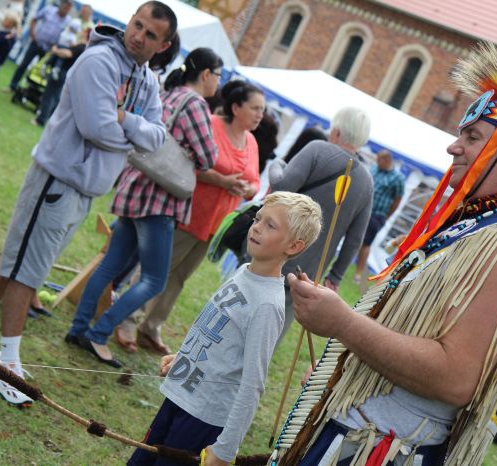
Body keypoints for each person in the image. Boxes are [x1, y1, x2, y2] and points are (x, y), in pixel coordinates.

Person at [271, 36, 497, 466]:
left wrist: (344, 326)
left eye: (471, 136)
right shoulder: (481, 226)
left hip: (382, 451)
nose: (454, 147)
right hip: (360, 437)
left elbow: (455, 378)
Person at [0, 1, 177, 407]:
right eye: (136, 24)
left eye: (150, 33)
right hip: (58, 178)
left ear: (164, 44)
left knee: (16, 259)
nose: (138, 35)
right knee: (26, 271)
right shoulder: (100, 61)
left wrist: (125, 120)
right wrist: (128, 133)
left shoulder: (146, 78)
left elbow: (158, 138)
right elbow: (94, 126)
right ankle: (8, 364)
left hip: (84, 188)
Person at [128, 191, 323, 466]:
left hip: (203, 417)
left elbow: (253, 384)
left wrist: (225, 449)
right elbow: (216, 329)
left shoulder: (267, 305)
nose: (256, 227)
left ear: (293, 246)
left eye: (271, 225)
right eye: (258, 219)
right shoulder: (244, 271)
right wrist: (186, 357)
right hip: (182, 396)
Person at [67, 47, 222, 367]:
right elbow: (208, 157)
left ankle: (79, 328)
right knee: (154, 279)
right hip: (159, 198)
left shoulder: (167, 93)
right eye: (218, 75)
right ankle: (99, 335)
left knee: (110, 267)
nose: (219, 82)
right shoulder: (194, 103)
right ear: (206, 74)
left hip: (135, 186)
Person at [115, 79, 264, 355]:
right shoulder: (211, 124)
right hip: (189, 211)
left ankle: (151, 326)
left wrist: (248, 188)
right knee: (158, 269)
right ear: (236, 107)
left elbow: (254, 180)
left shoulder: (252, 141)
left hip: (216, 223)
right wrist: (221, 180)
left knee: (180, 276)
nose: (260, 115)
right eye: (255, 108)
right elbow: (184, 162)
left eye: (262, 110)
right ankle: (125, 319)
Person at [268, 106, 374, 339]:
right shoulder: (366, 182)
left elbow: (281, 187)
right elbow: (355, 239)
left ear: (336, 131)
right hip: (305, 272)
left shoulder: (316, 149)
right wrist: (334, 276)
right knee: (270, 336)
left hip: (270, 252)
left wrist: (277, 165)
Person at [354, 149, 405, 283]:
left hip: (377, 215)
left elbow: (397, 200)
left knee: (365, 243)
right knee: (354, 238)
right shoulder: (374, 169)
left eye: (379, 160)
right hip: (362, 209)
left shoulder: (398, 178)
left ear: (387, 161)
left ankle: (359, 274)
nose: (377, 162)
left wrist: (386, 217)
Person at [30, 21, 87, 126]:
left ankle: (41, 120)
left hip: (60, 71)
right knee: (56, 98)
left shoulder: (81, 47)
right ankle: (53, 121)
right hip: (65, 73)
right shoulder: (82, 47)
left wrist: (56, 50)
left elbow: (67, 53)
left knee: (49, 95)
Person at [8, 0, 72, 92]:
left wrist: (55, 47)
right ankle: (12, 86)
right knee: (24, 64)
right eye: (65, 7)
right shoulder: (49, 10)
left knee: (39, 71)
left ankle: (28, 90)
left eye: (68, 8)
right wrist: (32, 32)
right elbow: (34, 19)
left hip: (49, 50)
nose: (66, 10)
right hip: (36, 43)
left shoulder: (68, 21)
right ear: (61, 5)